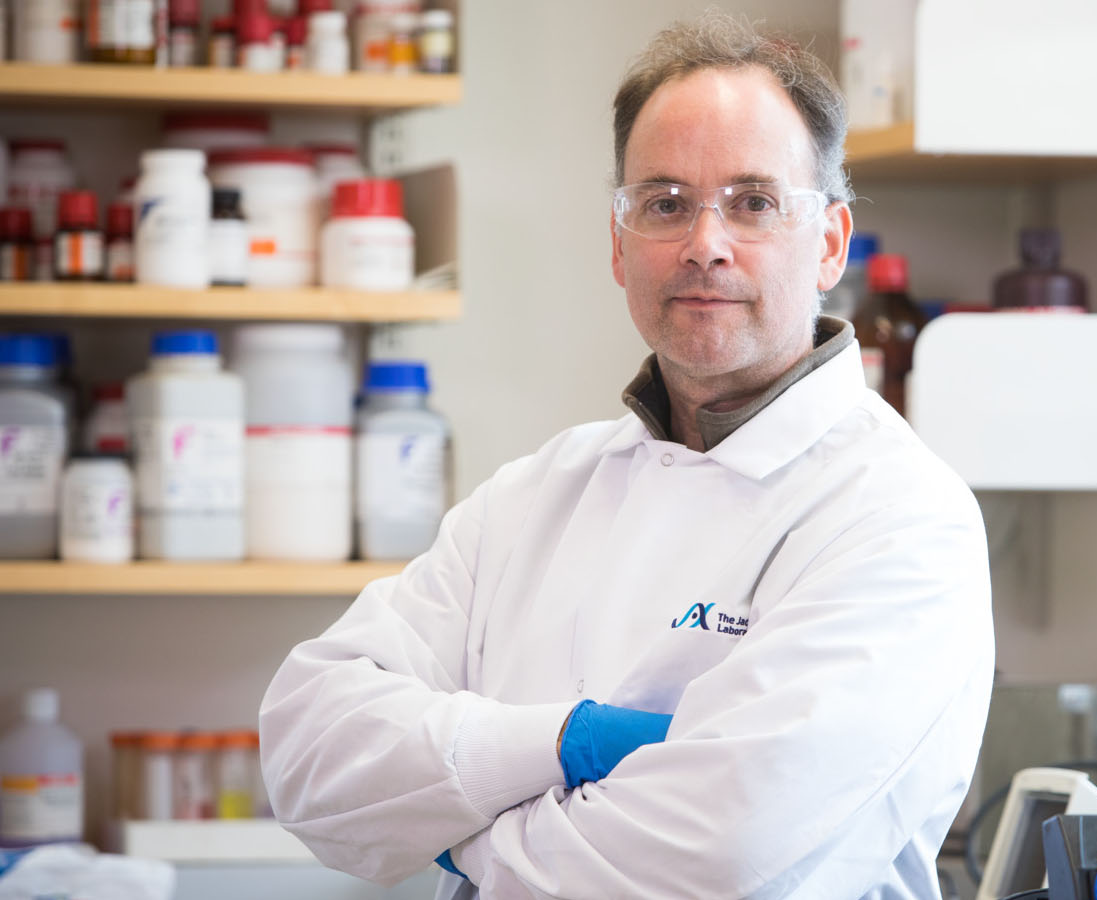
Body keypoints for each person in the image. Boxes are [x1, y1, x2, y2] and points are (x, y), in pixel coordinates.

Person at [260, 12, 993, 899]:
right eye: (665, 203)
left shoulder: (899, 517)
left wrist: (464, 836)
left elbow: (722, 851)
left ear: (831, 242)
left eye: (754, 201)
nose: (704, 243)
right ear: (618, 244)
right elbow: (308, 758)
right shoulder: (534, 496)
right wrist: (560, 741)